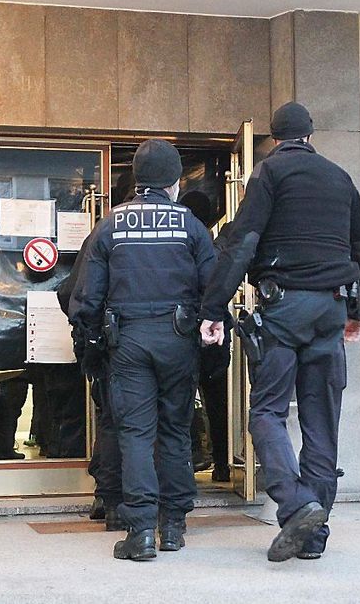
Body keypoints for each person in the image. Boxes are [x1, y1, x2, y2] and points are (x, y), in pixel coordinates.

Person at [199, 102, 360, 562]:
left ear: (274, 139)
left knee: (267, 411)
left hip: (284, 310)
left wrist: (214, 305)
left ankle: (297, 505)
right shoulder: (339, 177)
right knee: (321, 420)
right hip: (332, 309)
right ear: (311, 134)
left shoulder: (269, 174)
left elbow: (244, 240)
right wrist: (359, 308)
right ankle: (314, 536)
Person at [73, 138, 216, 561]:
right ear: (174, 181)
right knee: (174, 429)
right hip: (178, 338)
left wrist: (91, 344)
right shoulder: (190, 225)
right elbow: (215, 283)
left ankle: (140, 533)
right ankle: (173, 526)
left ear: (137, 178)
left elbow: (86, 297)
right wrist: (212, 324)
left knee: (135, 433)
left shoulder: (111, 224)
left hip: (129, 341)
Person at [60, 233, 124, 531]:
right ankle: (151, 510)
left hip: (108, 344)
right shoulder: (178, 228)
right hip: (161, 344)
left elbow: (69, 292)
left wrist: (89, 334)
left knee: (110, 421)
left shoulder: (104, 232)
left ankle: (108, 500)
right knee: (149, 427)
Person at [180, 190, 231, 483]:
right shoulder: (215, 246)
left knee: (182, 402)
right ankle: (223, 464)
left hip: (184, 334)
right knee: (218, 404)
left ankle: (186, 462)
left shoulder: (181, 244)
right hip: (215, 337)